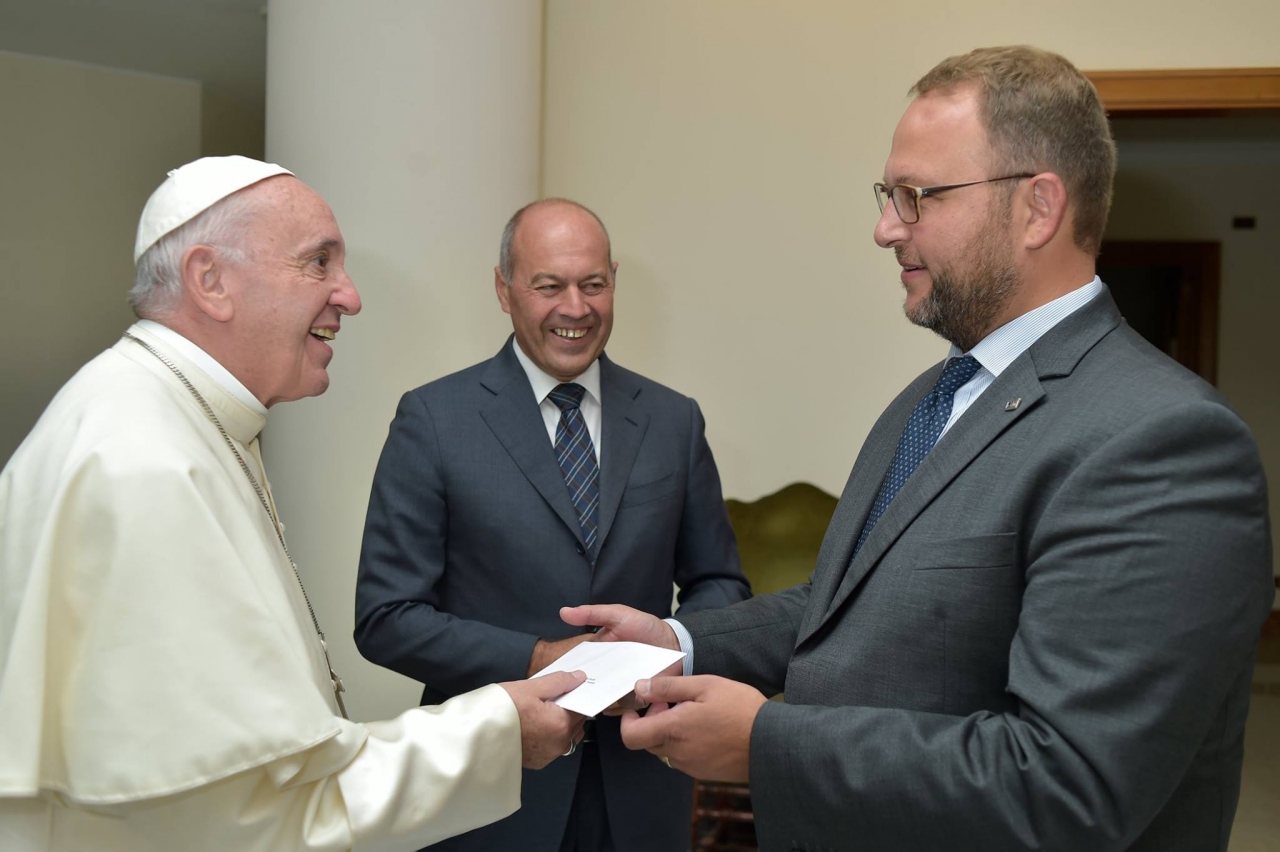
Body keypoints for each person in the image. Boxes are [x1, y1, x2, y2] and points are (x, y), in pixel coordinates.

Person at [563, 46, 1275, 852]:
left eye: (917, 197)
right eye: (887, 195)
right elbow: (854, 602)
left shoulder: (1162, 440)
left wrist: (765, 745)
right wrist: (683, 641)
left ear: (1038, 208)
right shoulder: (936, 395)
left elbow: (1068, 786)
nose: (884, 228)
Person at [0, 155, 587, 852]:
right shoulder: (143, 463)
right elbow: (253, 820)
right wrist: (497, 732)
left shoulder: (167, 417)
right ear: (209, 281)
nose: (350, 295)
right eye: (318, 263)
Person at [354, 198, 751, 852]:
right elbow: (386, 616)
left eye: (593, 284)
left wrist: (663, 657)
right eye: (549, 286)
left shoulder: (673, 421)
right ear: (504, 290)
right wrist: (540, 662)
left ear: (613, 281)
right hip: (492, 790)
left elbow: (721, 585)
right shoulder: (434, 420)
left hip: (644, 779)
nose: (576, 307)